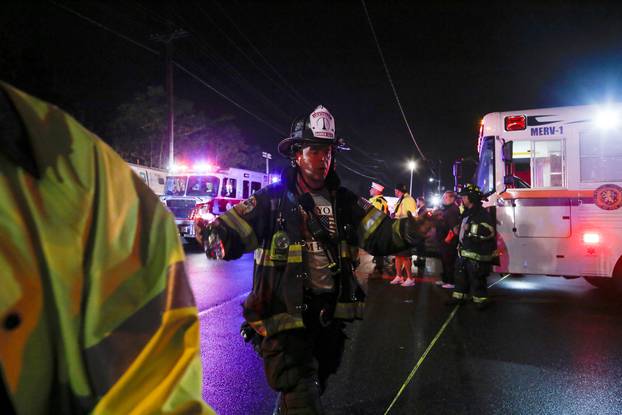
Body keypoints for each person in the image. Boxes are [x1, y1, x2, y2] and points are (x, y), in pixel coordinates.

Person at [196, 105, 434, 414]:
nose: (324, 159)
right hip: (284, 320)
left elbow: (382, 235)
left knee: (311, 384)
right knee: (301, 393)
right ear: (296, 153)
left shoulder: (347, 202)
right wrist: (208, 234)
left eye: (329, 152)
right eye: (316, 150)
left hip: (327, 320)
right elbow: (227, 240)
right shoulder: (272, 200)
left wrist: (413, 230)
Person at [0, 82, 214, 414]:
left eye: (197, 185)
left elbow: (151, 390)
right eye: (179, 184)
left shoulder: (93, 185)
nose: (184, 190)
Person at [447, 184, 497, 309]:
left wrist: (470, 228)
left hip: (476, 254)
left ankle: (481, 301)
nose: (462, 199)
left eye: (464, 197)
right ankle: (459, 297)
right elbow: (464, 229)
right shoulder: (467, 213)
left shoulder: (481, 213)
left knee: (477, 279)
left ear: (472, 198)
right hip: (464, 252)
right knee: (460, 277)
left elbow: (489, 231)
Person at [390, 184, 419, 287]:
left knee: (405, 256)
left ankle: (410, 278)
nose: (395, 192)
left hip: (405, 231)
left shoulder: (408, 200)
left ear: (398, 191)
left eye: (395, 191)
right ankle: (399, 276)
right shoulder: (402, 199)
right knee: (398, 255)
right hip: (399, 230)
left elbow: (412, 216)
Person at [435, 191, 461, 289]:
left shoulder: (452, 210)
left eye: (445, 197)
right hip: (444, 240)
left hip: (449, 241)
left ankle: (451, 281)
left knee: (449, 261)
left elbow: (454, 228)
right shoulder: (447, 209)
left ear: (452, 198)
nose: (443, 199)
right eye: (443, 197)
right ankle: (445, 279)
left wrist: (446, 240)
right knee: (445, 261)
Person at [368, 182, 389, 278]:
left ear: (376, 191)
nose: (370, 190)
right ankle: (378, 268)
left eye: (372, 189)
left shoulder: (378, 201)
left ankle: (378, 270)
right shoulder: (380, 200)